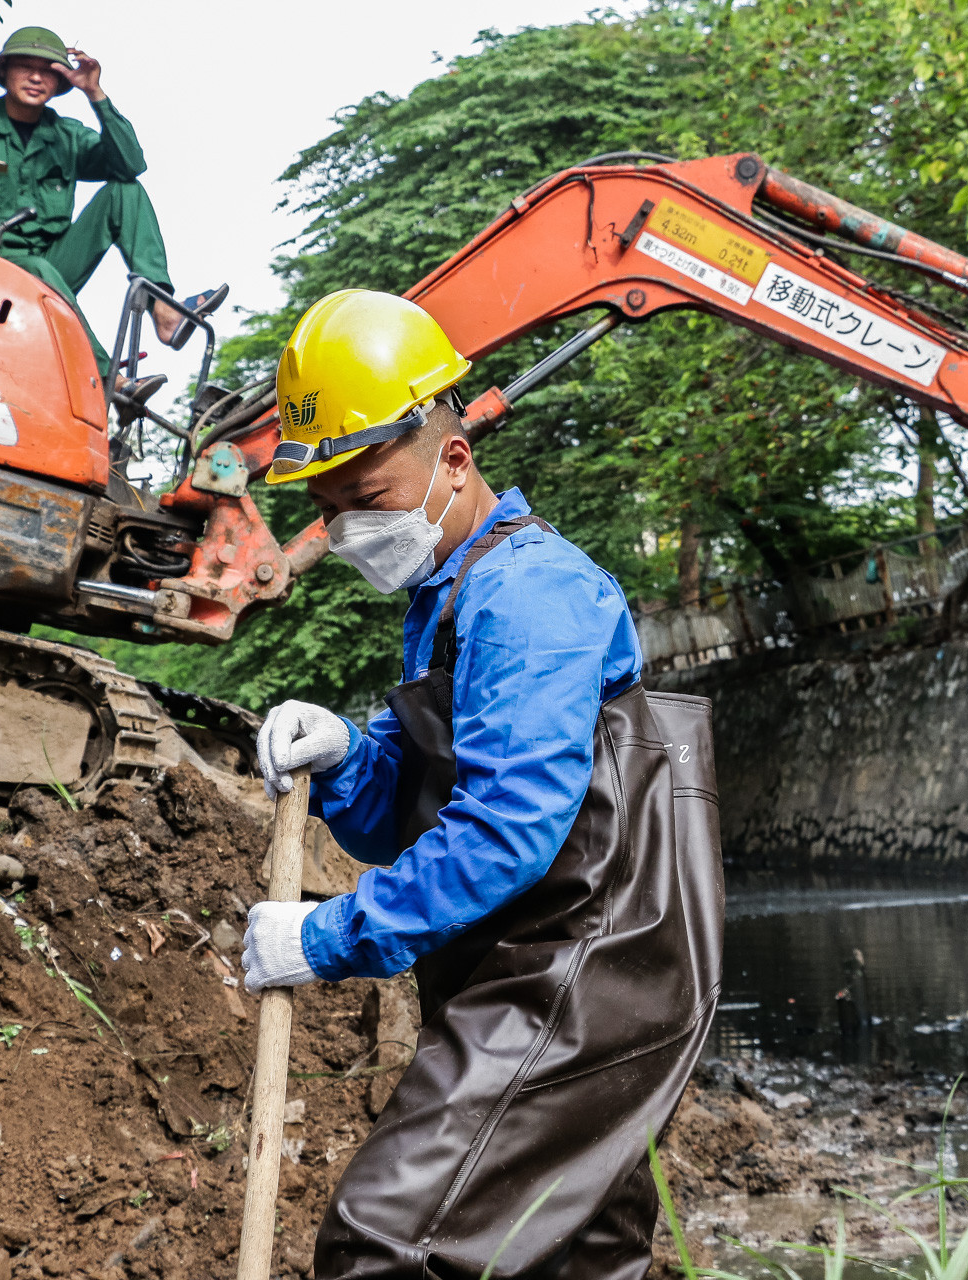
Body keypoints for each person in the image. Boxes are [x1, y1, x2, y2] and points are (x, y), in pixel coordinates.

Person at [244, 289, 724, 1280]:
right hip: (538, 965)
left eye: (366, 499)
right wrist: (346, 759)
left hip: (582, 973)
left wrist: (326, 938)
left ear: (454, 458)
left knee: (386, 1241)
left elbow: (507, 830)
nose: (346, 531)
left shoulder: (532, 594)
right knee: (576, 1257)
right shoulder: (450, 596)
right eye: (328, 512)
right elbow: (408, 818)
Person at [0, 26, 222, 383]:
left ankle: (164, 310)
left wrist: (95, 94)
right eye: (25, 67)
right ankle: (106, 381)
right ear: (4, 71)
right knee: (36, 268)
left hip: (50, 270)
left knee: (126, 191)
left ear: (60, 82)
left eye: (48, 70)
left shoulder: (66, 135)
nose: (36, 78)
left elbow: (130, 164)